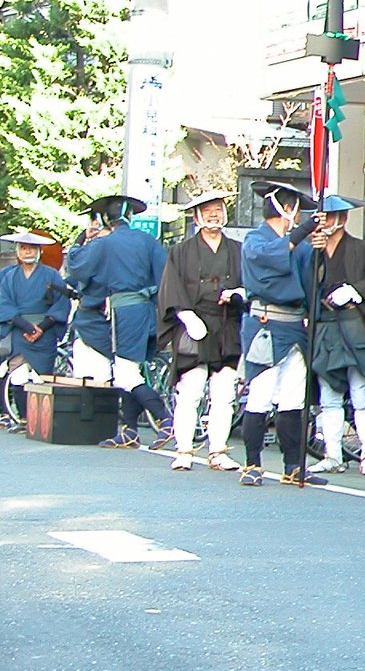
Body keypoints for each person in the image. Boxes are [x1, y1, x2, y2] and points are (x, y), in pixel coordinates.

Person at [66, 192, 171, 447]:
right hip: (147, 310)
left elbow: (77, 265)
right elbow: (166, 275)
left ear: (105, 219)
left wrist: (81, 239)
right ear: (131, 216)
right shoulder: (149, 242)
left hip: (123, 312)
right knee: (130, 369)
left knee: (125, 371)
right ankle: (130, 429)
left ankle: (166, 420)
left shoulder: (103, 244)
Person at [305, 193, 365, 478]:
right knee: (329, 396)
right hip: (327, 328)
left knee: (362, 393)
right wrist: (315, 256)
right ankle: (333, 454)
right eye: (324, 217)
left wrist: (354, 291)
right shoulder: (315, 252)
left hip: (357, 325)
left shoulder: (361, 250)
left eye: (333, 217)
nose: (328, 222)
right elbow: (306, 285)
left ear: (343, 219)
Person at [237, 182, 321, 487]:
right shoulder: (254, 240)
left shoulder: (298, 244)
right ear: (286, 210)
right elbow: (271, 256)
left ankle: (293, 464)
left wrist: (318, 251)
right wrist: (301, 234)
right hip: (265, 326)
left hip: (294, 326)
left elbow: (311, 280)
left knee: (292, 399)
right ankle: (252, 464)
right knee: (260, 395)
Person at [157, 190, 242, 471]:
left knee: (224, 393)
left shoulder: (237, 250)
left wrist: (240, 293)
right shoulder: (180, 252)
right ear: (196, 217)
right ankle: (183, 450)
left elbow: (250, 283)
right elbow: (170, 288)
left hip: (227, 324)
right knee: (190, 390)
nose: (213, 215)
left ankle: (218, 450)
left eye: (217, 209)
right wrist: (185, 314)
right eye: (207, 211)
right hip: (193, 324)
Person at [0, 232, 68, 429]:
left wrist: (42, 327)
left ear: (39, 251)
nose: (27, 251)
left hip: (44, 330)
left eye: (31, 248)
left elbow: (60, 303)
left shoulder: (51, 275)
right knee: (18, 374)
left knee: (41, 376)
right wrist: (26, 326)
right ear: (17, 252)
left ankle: (40, 420)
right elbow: (3, 303)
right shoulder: (9, 276)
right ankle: (22, 418)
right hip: (19, 328)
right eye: (23, 248)